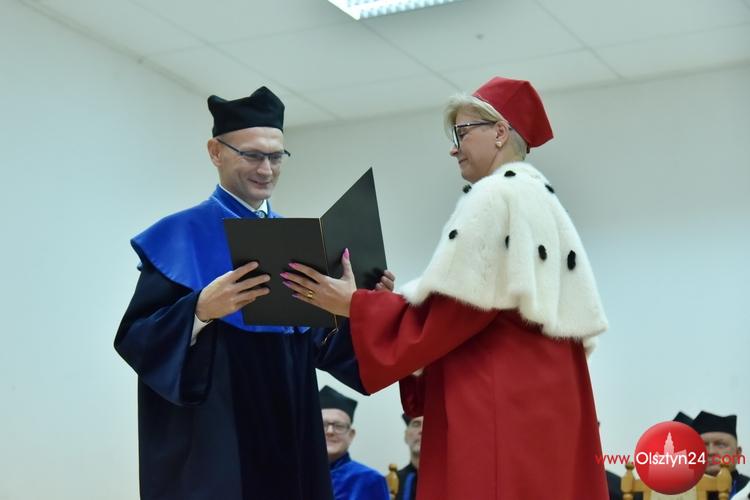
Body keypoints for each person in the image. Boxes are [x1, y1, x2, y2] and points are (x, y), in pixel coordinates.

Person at [282, 76, 609, 499]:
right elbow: (478, 306)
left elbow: (456, 313)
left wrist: (357, 305)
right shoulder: (540, 198)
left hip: (498, 401)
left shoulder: (495, 195)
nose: (454, 148)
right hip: (540, 403)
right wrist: (386, 304)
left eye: (462, 133)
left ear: (500, 132)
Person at [114, 87, 394, 500]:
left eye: (276, 157)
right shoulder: (180, 236)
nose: (266, 169)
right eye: (252, 155)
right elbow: (137, 339)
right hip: (217, 450)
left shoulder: (301, 244)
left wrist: (360, 306)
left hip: (292, 443)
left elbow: (322, 348)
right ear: (216, 152)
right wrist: (200, 310)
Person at [319, 386, 390, 500]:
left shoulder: (370, 479)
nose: (330, 431)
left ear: (351, 434)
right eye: (323, 425)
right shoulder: (294, 475)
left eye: (339, 426)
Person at [692, 411, 748, 499]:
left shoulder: (747, 490)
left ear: (738, 454)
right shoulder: (682, 494)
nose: (710, 452)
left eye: (720, 445)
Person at [395, 414, 421, 500]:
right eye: (416, 424)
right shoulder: (391, 483)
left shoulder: (451, 480)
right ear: (406, 435)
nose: (421, 430)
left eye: (429, 425)